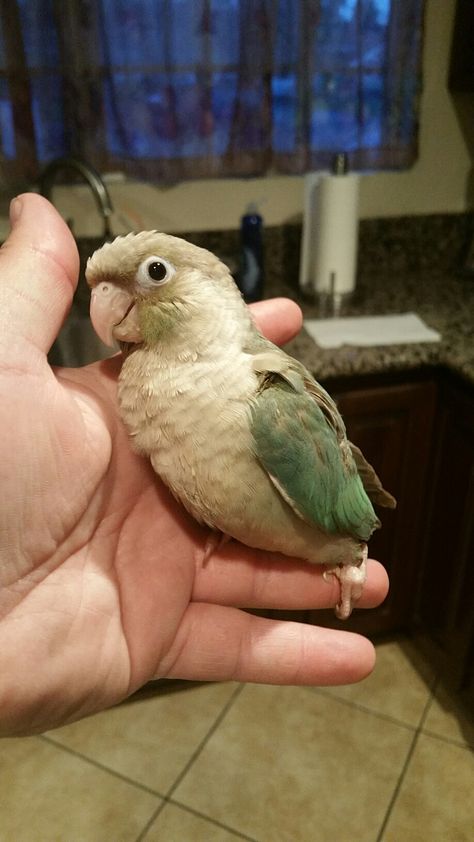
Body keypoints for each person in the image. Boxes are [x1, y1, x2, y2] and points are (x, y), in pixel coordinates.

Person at [0, 194, 388, 738]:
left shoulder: (266, 399)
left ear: (211, 290)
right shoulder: (144, 383)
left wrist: (353, 549)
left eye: (154, 274)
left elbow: (346, 504)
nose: (113, 303)